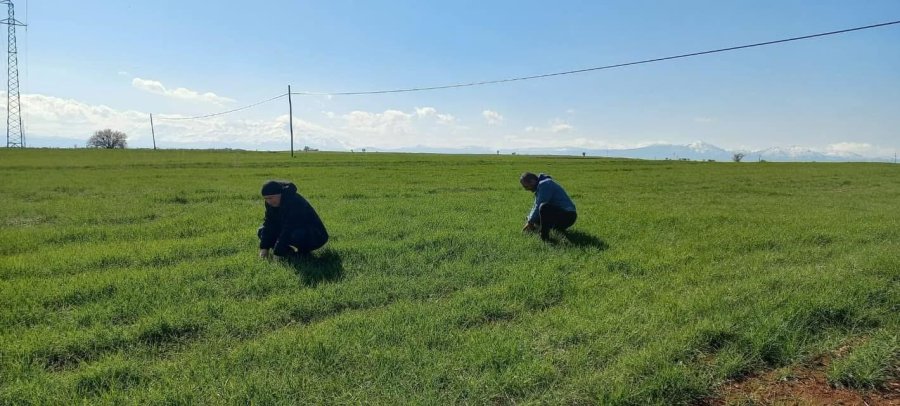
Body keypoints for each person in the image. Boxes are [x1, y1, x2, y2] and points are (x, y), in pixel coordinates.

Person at [257, 180, 329, 259]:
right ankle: (289, 253)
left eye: (271, 198)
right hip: (293, 230)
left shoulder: (294, 201)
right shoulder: (270, 203)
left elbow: (289, 228)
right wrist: (264, 248)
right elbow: (269, 223)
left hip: (316, 235)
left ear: (280, 194)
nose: (269, 201)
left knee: (296, 234)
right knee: (261, 231)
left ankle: (303, 253)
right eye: (266, 198)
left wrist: (278, 252)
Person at [520, 172, 577, 241]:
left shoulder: (545, 185)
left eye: (526, 186)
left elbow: (539, 205)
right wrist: (529, 219)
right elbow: (535, 205)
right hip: (560, 214)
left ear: (532, 181)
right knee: (535, 216)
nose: (526, 189)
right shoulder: (540, 186)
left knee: (544, 207)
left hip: (568, 216)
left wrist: (530, 222)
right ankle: (549, 230)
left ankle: (544, 237)